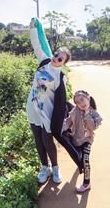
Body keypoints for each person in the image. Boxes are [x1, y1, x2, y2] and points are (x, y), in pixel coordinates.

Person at [26, 17, 81, 184]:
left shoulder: (60, 77)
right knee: (38, 140)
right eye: (56, 54)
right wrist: (33, 29)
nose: (56, 58)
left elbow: (61, 101)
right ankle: (45, 168)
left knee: (47, 140)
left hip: (47, 112)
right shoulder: (44, 61)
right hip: (33, 107)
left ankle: (55, 168)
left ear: (64, 63)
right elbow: (37, 44)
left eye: (60, 58)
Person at [62, 90, 103, 193]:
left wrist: (87, 115)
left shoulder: (94, 113)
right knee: (79, 158)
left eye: (82, 100)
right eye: (77, 102)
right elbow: (68, 121)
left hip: (87, 140)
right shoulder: (75, 111)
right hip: (75, 139)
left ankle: (86, 183)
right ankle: (81, 165)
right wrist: (61, 128)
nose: (81, 104)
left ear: (88, 98)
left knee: (85, 160)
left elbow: (93, 127)